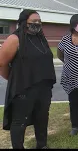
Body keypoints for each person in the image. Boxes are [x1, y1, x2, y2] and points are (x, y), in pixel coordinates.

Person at [0, 9, 56, 149]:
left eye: (39, 21)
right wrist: (14, 78)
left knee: (42, 118)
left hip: (43, 88)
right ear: (24, 22)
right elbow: (2, 63)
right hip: (24, 88)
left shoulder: (40, 38)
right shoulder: (15, 39)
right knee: (20, 121)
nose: (37, 24)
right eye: (33, 21)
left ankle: (41, 145)